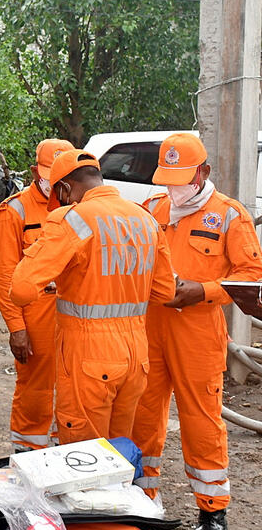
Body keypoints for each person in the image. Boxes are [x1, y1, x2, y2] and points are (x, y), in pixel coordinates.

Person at [130, 134, 262, 530]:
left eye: (181, 180)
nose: (174, 189)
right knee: (142, 416)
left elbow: (250, 277)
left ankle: (211, 510)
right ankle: (143, 500)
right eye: (167, 181)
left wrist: (202, 291)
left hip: (198, 333)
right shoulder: (152, 209)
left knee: (201, 421)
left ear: (203, 172)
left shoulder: (229, 216)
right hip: (150, 328)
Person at [10, 149, 174, 447]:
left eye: (60, 196)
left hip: (89, 356)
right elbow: (165, 292)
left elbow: (21, 290)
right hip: (136, 356)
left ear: (64, 188)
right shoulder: (145, 219)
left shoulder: (71, 219)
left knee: (85, 455)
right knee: (118, 449)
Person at [0, 138, 73, 452]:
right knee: (35, 389)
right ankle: (28, 450)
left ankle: (64, 449)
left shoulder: (78, 208)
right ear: (34, 171)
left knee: (72, 386)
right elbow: (5, 275)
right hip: (36, 316)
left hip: (75, 316)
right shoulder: (15, 210)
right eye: (49, 175)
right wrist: (17, 328)